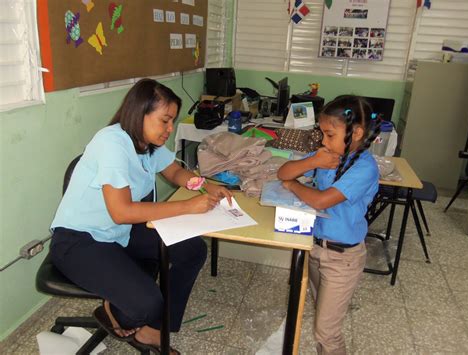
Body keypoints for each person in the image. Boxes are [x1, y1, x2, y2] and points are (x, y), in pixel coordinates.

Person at [50, 78, 232, 354]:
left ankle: (154, 331)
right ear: (140, 113)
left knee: (192, 250)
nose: (170, 129)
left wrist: (206, 185)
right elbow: (122, 211)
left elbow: (173, 172)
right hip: (80, 240)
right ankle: (115, 311)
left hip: (119, 232)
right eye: (165, 121)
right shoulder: (111, 143)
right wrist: (187, 206)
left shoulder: (146, 143)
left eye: (172, 122)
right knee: (147, 303)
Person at [277, 95, 381, 354]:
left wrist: (294, 185)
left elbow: (322, 201)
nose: (324, 141)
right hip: (315, 248)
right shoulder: (328, 154)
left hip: (342, 258)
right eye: (322, 133)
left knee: (326, 330)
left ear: (356, 133)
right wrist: (312, 161)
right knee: (319, 308)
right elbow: (283, 172)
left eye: (330, 134)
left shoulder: (365, 168)